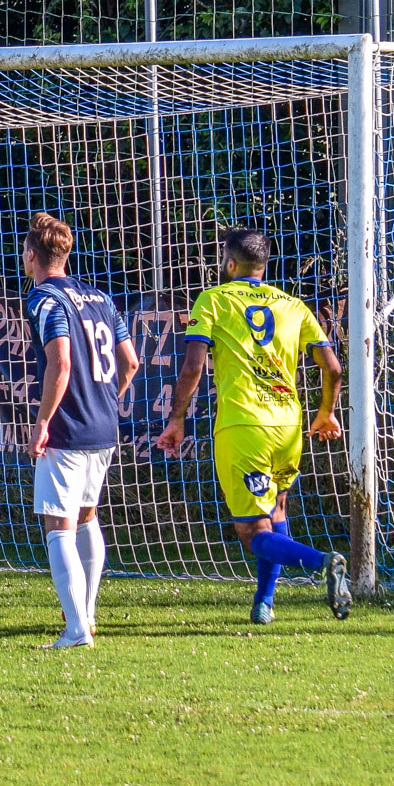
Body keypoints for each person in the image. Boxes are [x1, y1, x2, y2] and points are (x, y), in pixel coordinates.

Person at [155, 228, 352, 623]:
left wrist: (176, 419)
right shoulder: (293, 305)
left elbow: (193, 367)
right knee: (276, 511)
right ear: (263, 265)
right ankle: (264, 604)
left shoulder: (214, 299)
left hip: (244, 426)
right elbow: (332, 368)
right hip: (288, 426)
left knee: (251, 531)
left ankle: (323, 561)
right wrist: (326, 413)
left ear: (230, 264)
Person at [21, 213, 139, 648]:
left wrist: (43, 422)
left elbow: (62, 362)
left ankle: (75, 630)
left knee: (59, 525)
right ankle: (86, 618)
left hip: (68, 428)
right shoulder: (100, 297)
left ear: (31, 255)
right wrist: (106, 399)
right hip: (104, 425)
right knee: (88, 518)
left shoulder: (43, 298)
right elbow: (131, 362)